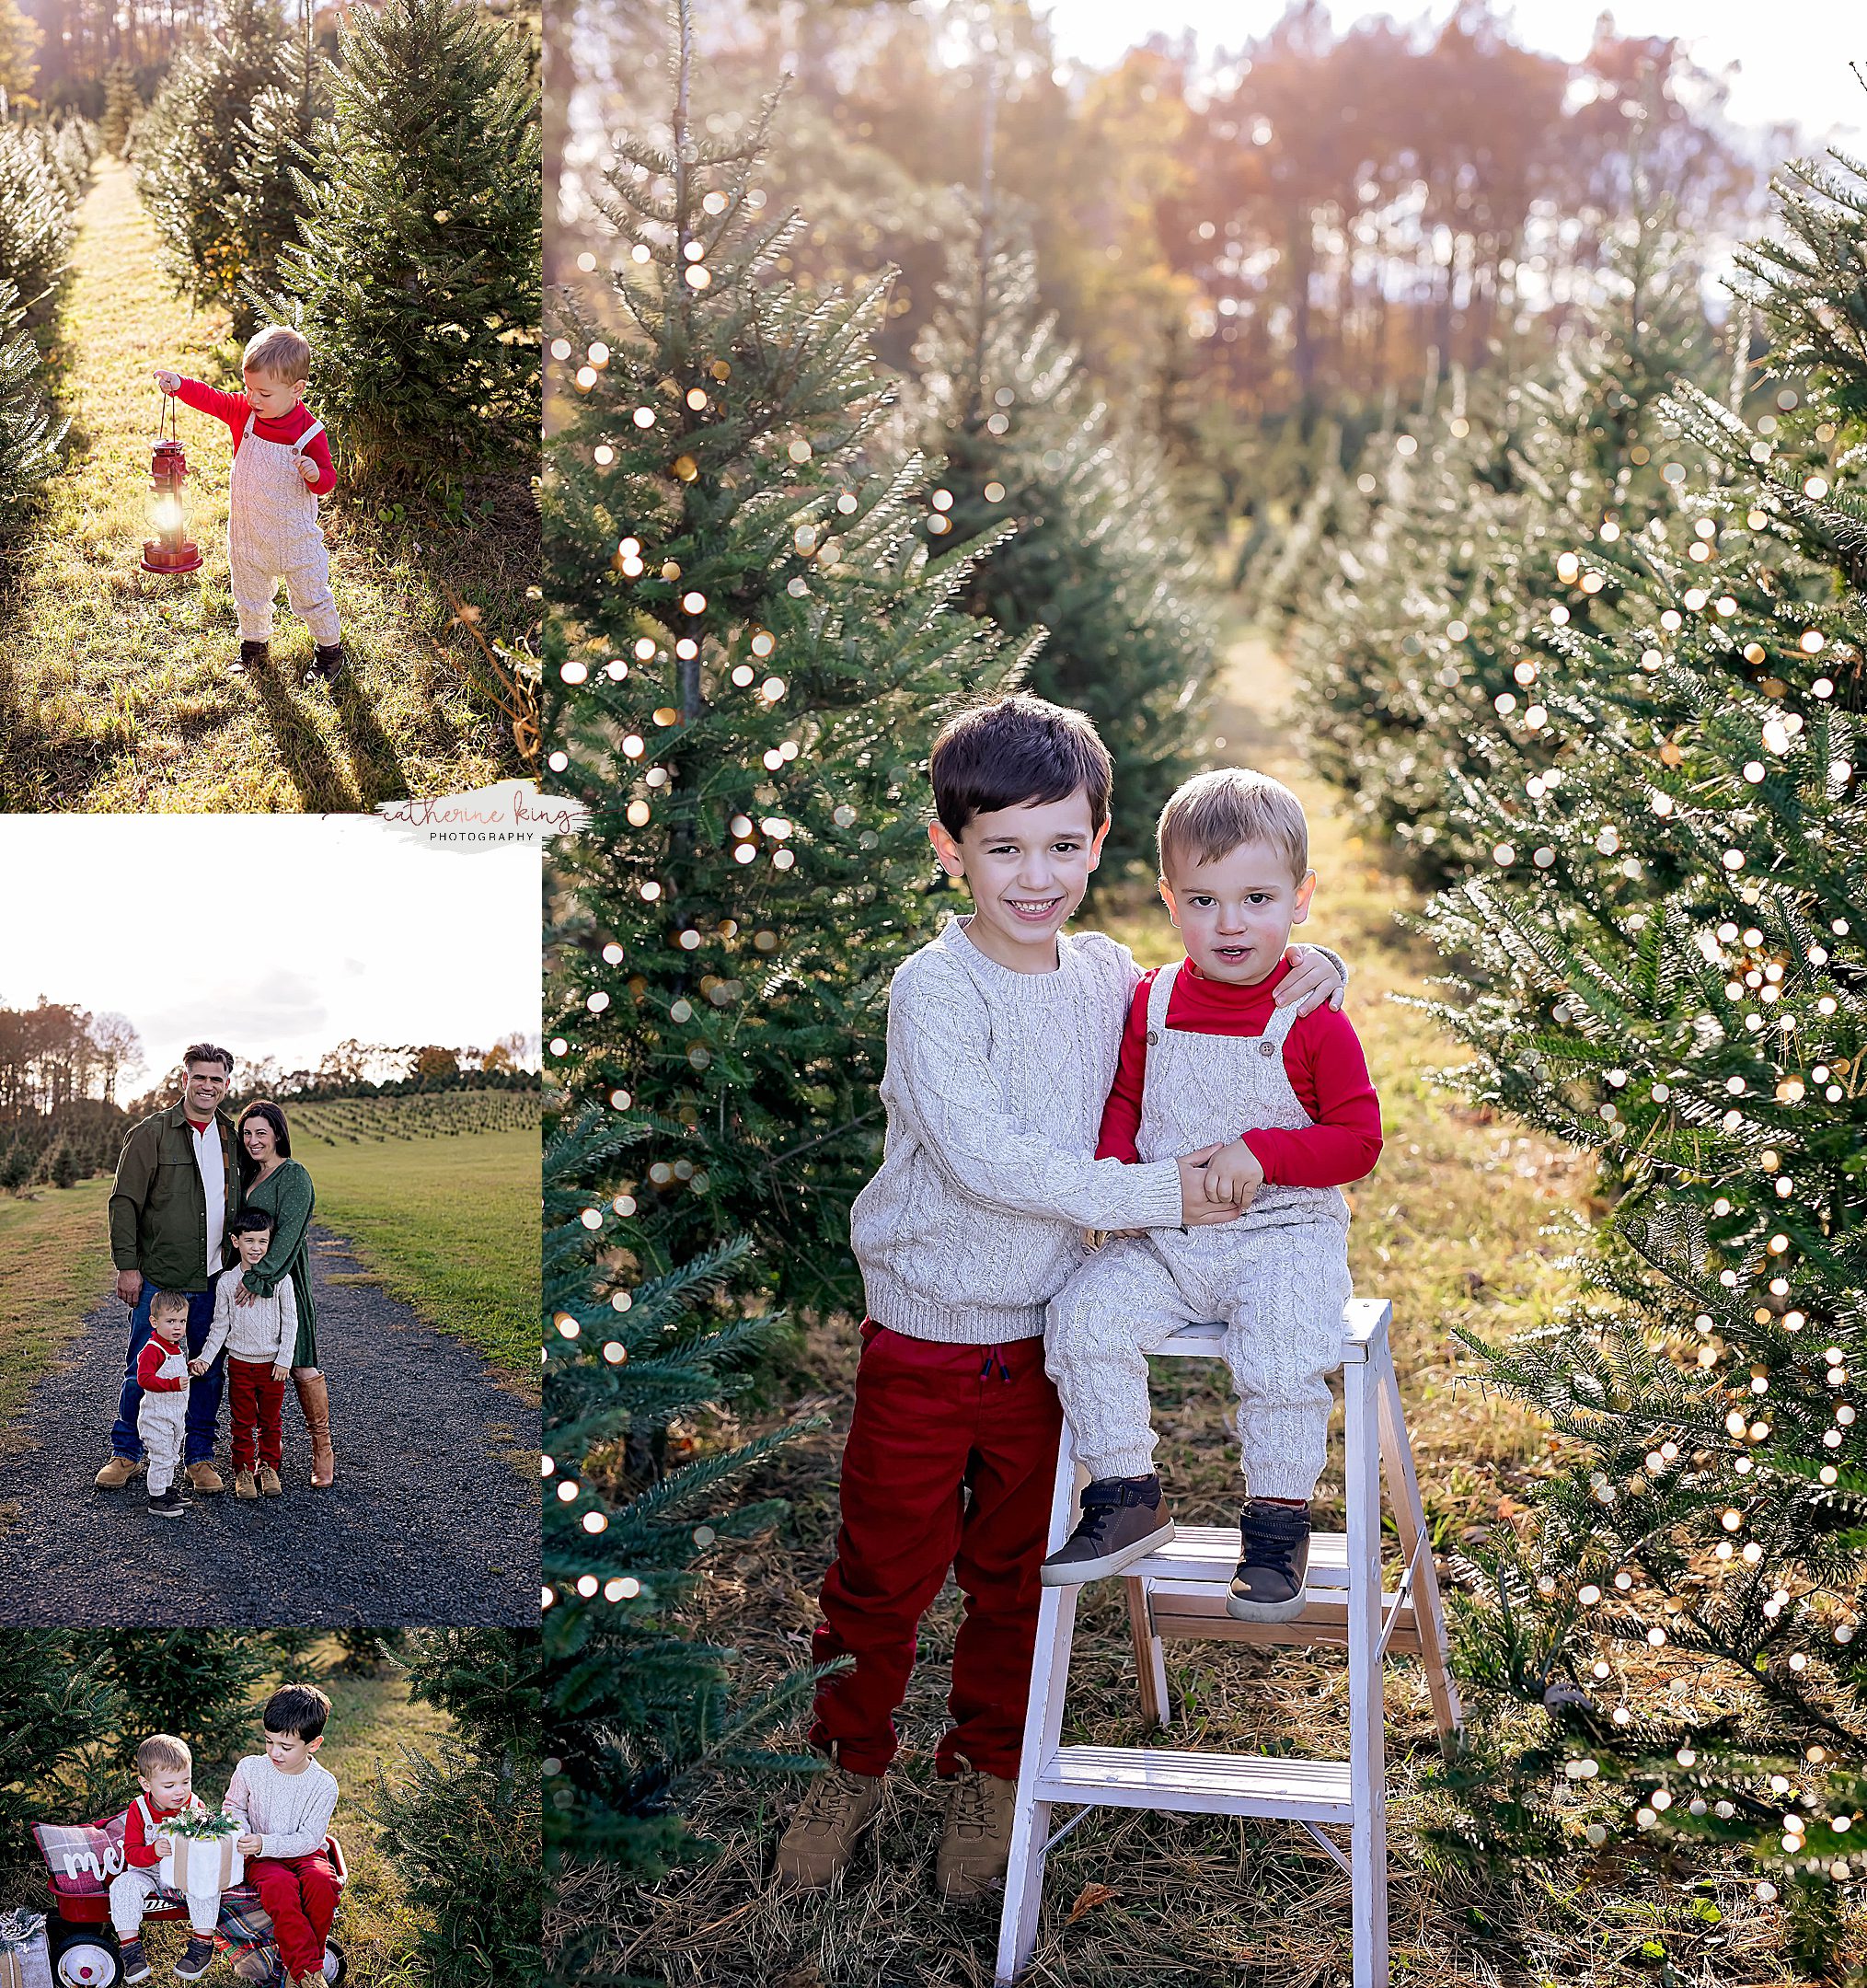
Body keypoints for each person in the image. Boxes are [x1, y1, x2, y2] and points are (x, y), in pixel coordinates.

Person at [774, 695, 1349, 1899]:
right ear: (951, 851)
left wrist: (1313, 969)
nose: (1034, 878)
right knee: (883, 1570)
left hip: (1044, 1340)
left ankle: (987, 1770)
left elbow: (1217, 979)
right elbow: (991, 1165)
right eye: (1002, 850)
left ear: (1097, 842)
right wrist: (1161, 1197)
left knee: (1012, 1573)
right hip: (929, 1337)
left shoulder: (1103, 977)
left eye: (1061, 846)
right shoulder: (935, 993)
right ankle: (848, 1769)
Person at [1041, 767, 1383, 1620]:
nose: (1229, 924)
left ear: (1300, 898)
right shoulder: (1150, 1001)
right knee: (1082, 1320)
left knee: (1278, 1354)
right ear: (1168, 900)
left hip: (1281, 1235)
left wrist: (1263, 1152)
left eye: (1257, 899)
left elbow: (1357, 1142)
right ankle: (1125, 1492)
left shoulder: (1313, 1018)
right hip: (1164, 1233)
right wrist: (1118, 1191)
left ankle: (1275, 1525)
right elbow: (1125, 1100)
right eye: (1202, 901)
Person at [153, 323, 344, 681]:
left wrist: (314, 474)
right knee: (249, 593)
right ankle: (253, 647)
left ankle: (329, 652)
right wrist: (180, 384)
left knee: (310, 595)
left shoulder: (309, 432)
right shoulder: (245, 414)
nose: (253, 399)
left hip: (293, 537)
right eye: (248, 388)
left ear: (296, 390)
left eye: (264, 393)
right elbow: (214, 399)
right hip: (248, 532)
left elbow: (327, 482)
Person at [97, 1043, 238, 1497]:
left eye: (217, 1079)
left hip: (213, 1278)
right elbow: (124, 1202)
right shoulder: (151, 1133)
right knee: (143, 1366)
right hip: (160, 1277)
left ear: (226, 1085)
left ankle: (198, 1458)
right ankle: (128, 1453)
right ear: (185, 1080)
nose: (208, 1085)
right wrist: (127, 1267)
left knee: (208, 1370)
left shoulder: (231, 1138)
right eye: (200, 1077)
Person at [232, 1101, 333, 1487]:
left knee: (300, 1359)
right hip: (246, 1281)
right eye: (247, 1133)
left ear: (278, 1134)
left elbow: (289, 1237)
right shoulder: (250, 1175)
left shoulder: (294, 1176)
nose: (254, 1140)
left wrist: (260, 1279)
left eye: (262, 1132)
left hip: (283, 1280)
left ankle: (322, 1446)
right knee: (247, 1361)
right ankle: (248, 1456)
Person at [225, 1684, 340, 1988]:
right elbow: (233, 1806)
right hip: (261, 1855)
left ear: (313, 1744)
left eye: (285, 1747)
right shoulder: (250, 1769)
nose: (274, 1752)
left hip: (305, 1852)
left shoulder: (324, 1785)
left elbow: (311, 1838)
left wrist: (268, 1842)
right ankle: (308, 1973)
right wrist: (245, 1833)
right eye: (269, 1741)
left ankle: (297, 1968)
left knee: (322, 1884)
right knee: (281, 1887)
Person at [196, 1208, 298, 1500]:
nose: (256, 1248)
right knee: (242, 1422)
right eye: (249, 1240)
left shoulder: (281, 1280)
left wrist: (284, 1359)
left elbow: (291, 1322)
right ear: (235, 1241)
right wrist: (205, 1357)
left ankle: (268, 1468)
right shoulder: (228, 1282)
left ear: (270, 1243)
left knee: (270, 1421)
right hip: (241, 1364)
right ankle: (242, 1470)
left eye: (262, 1242)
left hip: (272, 1367)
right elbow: (220, 1325)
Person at [108, 1733, 216, 1984]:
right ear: (147, 1784)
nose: (180, 1792)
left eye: (185, 1782)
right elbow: (132, 1852)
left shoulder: (194, 1806)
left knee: (207, 1886)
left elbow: (206, 1848)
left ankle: (202, 1945)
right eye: (169, 1786)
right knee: (122, 1886)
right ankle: (131, 1951)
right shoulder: (139, 1809)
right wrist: (153, 1851)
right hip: (146, 1871)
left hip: (182, 1873)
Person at [135, 1293, 196, 1520]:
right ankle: (157, 1498)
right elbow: (144, 1379)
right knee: (161, 1456)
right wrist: (172, 1384)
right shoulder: (153, 1349)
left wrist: (188, 1369)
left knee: (171, 1455)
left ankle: (167, 1490)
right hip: (157, 1417)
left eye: (182, 1321)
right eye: (170, 1322)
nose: (177, 1327)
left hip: (174, 1416)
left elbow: (174, 1371)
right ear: (154, 1322)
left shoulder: (174, 1348)